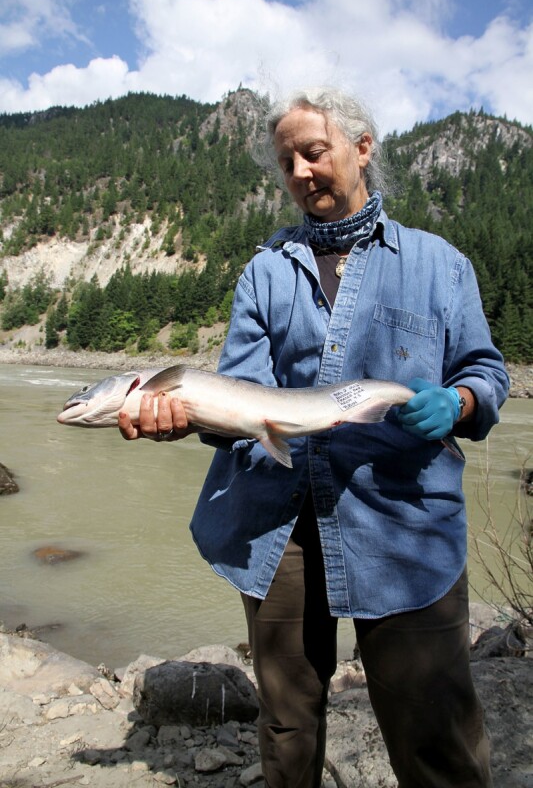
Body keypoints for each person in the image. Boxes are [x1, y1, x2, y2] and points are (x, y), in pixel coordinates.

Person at [119, 86, 509, 788]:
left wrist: (456, 402)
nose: (298, 171)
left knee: (434, 728)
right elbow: (243, 399)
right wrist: (183, 418)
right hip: (277, 526)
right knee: (288, 723)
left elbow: (484, 371)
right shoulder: (265, 273)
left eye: (313, 151)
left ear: (362, 149)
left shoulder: (438, 263)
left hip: (404, 522)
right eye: (285, 160)